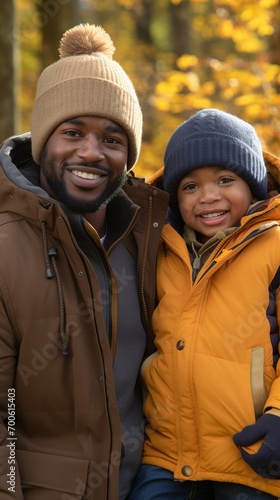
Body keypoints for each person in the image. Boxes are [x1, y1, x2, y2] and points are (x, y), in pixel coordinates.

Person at [0, 23, 168, 500]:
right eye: (72, 133)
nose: (91, 153)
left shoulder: (153, 238)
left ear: (129, 155)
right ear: (43, 142)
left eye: (113, 139)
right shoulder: (6, 246)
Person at [129, 109, 280, 499]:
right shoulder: (159, 250)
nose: (208, 196)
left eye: (226, 180)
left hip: (249, 451)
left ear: (254, 186)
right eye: (190, 186)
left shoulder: (275, 246)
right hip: (167, 451)